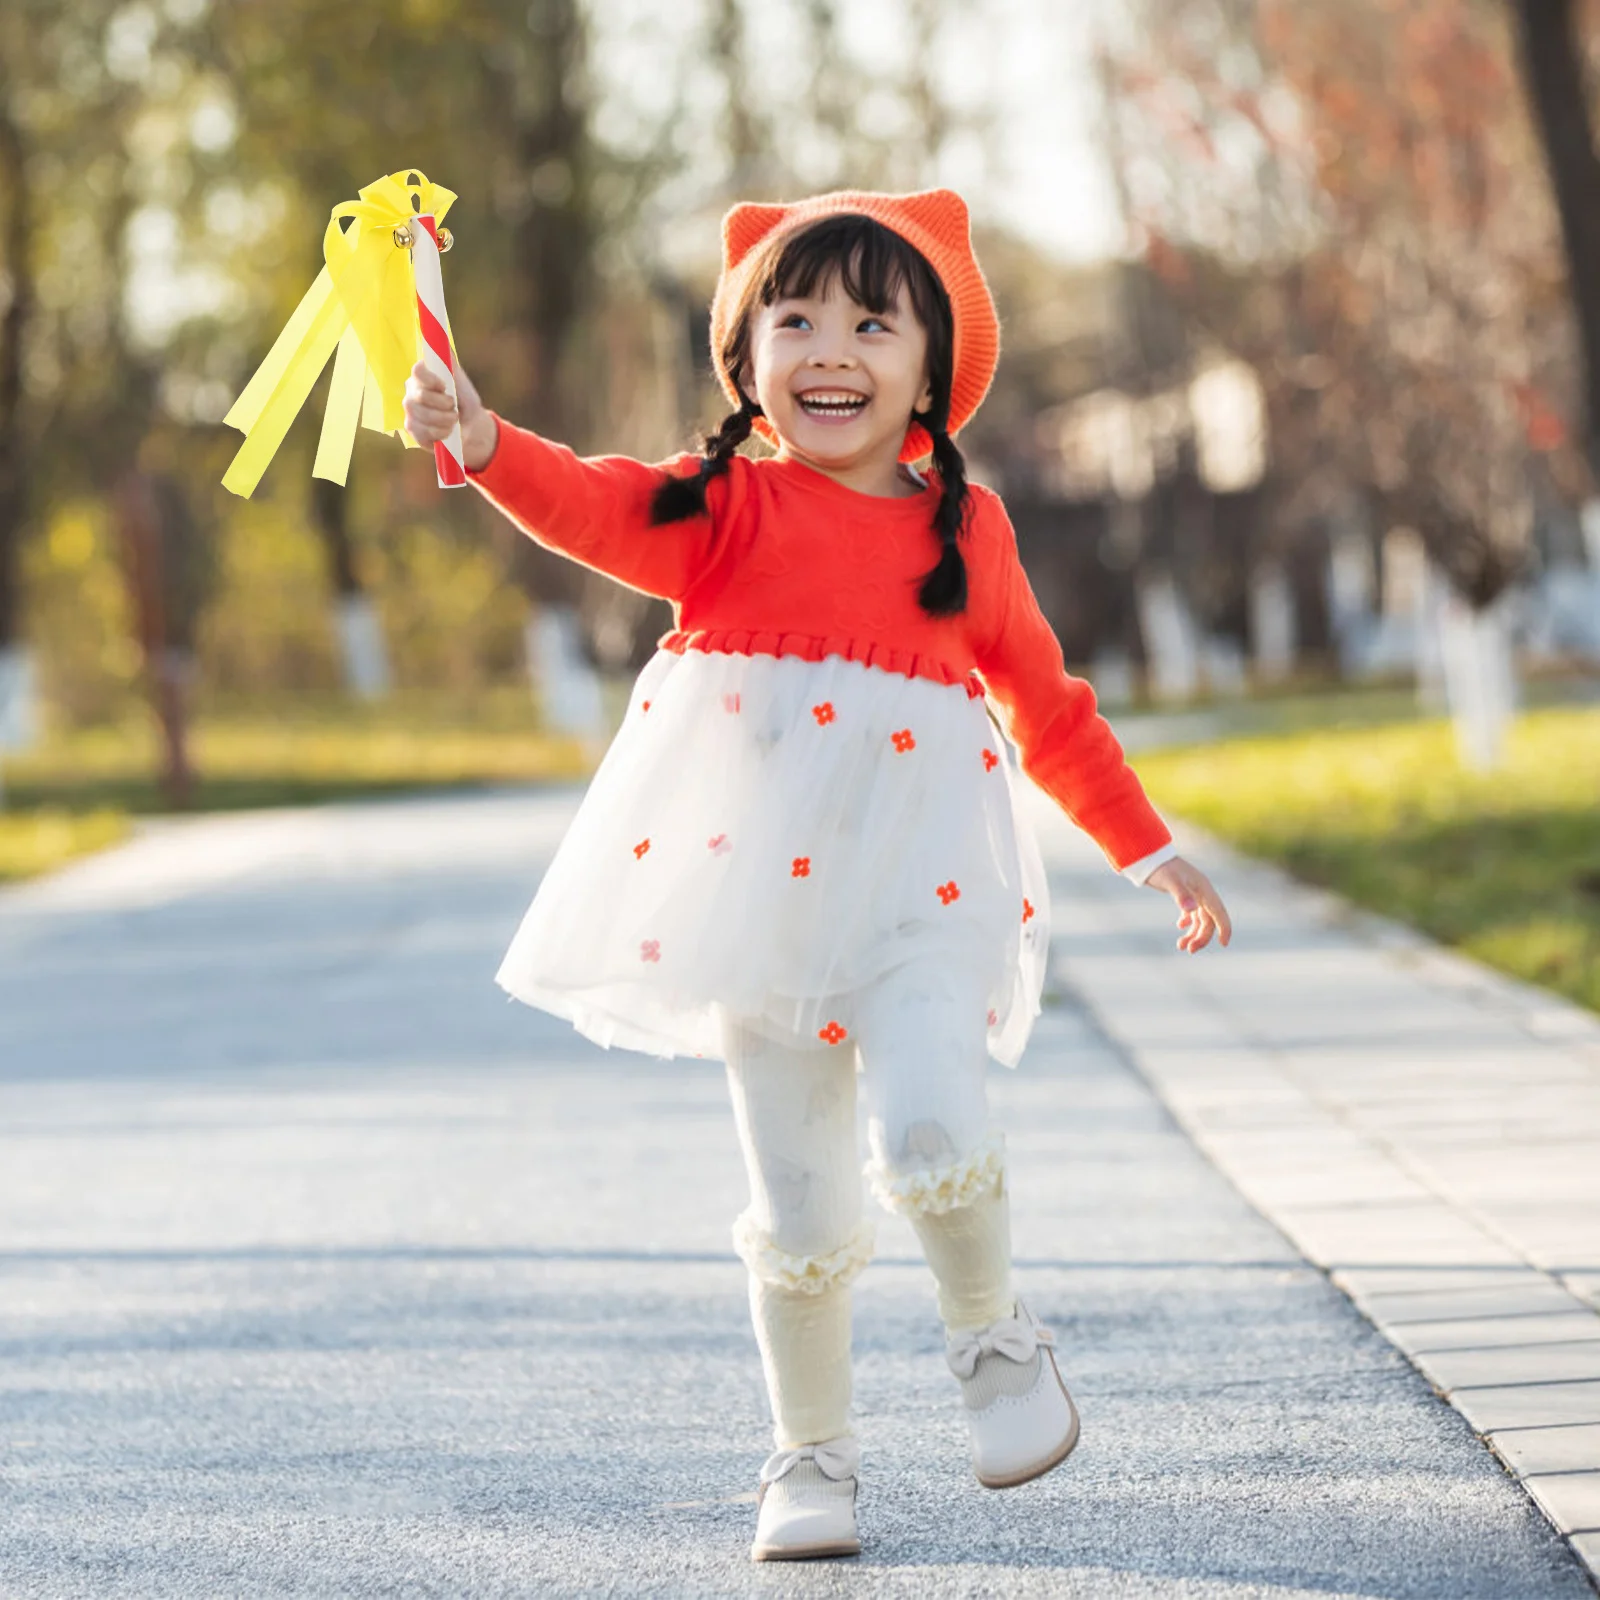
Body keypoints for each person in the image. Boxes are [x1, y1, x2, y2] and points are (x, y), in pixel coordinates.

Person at [403, 188, 1233, 1563]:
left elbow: (1047, 701)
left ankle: (994, 1346)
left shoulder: (965, 530)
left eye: (870, 320)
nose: (830, 347)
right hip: (757, 909)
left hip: (925, 896)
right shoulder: (721, 506)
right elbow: (593, 505)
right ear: (746, 362)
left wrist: (1144, 844)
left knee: (926, 1123)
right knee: (797, 1204)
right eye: (794, 319)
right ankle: (814, 1457)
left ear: (929, 367)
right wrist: (484, 441)